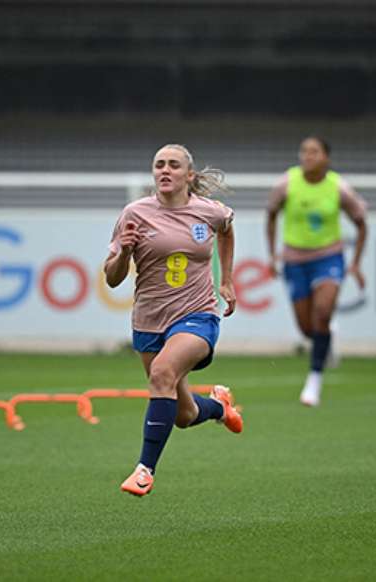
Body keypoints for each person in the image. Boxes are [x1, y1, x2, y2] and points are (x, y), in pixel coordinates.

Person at [105, 144, 243, 497]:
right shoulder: (134, 214)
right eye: (159, 165)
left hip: (197, 315)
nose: (165, 170)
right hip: (149, 322)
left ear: (189, 175)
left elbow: (227, 228)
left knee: (162, 372)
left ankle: (143, 470)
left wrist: (225, 279)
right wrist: (123, 249)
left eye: (173, 165)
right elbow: (112, 278)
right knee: (183, 414)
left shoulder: (208, 211)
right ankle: (218, 407)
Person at [266, 136, 368, 407]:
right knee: (307, 327)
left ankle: (314, 381)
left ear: (326, 158)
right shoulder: (286, 184)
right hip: (294, 260)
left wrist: (355, 262)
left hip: (328, 258)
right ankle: (327, 337)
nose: (308, 156)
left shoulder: (338, 187)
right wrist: (271, 253)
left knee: (322, 311)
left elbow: (361, 221)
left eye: (314, 152)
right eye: (304, 151)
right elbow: (271, 214)